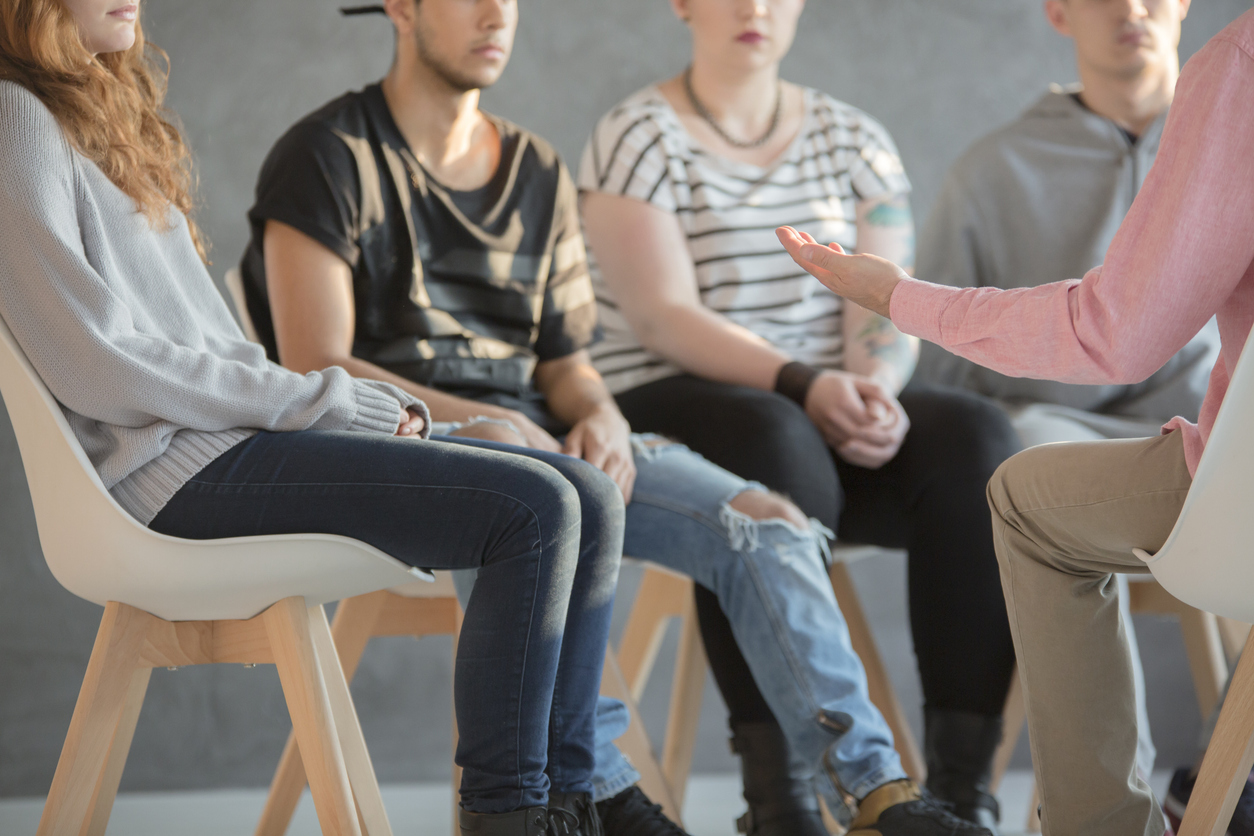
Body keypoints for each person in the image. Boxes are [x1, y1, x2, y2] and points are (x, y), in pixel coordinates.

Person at [237, 2, 992, 835]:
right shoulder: (325, 156)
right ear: (403, 9)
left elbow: (562, 361)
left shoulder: (535, 168)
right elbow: (316, 361)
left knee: (765, 521)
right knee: (525, 491)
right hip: (398, 440)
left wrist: (595, 410)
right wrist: (484, 418)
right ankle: (599, 791)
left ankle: (878, 796)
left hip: (536, 440)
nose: (496, 14)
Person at [0, 3, 627, 836]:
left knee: (586, 489)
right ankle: (510, 819)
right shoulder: (17, 117)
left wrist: (398, 422)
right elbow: (99, 363)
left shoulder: (101, 117)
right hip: (172, 475)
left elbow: (215, 355)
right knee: (533, 509)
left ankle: (572, 807)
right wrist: (346, 404)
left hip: (234, 446)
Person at [776, 8, 1254, 834]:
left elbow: (1115, 333)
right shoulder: (993, 168)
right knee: (1017, 443)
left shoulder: (1237, 69)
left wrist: (895, 295)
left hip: (1228, 490)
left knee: (1028, 502)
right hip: (1104, 432)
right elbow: (969, 378)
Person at [578, 0, 1022, 832]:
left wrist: (875, 387)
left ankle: (958, 796)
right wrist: (803, 384)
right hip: (677, 401)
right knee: (771, 438)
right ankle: (780, 799)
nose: (755, 7)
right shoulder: (636, 136)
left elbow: (884, 305)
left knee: (977, 438)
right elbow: (661, 317)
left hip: (821, 412)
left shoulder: (852, 138)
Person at [915, 0, 1220, 796]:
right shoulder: (991, 170)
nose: (1130, 8)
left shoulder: (1229, 129)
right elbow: (942, 379)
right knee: (1009, 467)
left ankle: (1228, 770)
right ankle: (964, 783)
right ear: (1057, 13)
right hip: (1050, 428)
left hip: (1211, 430)